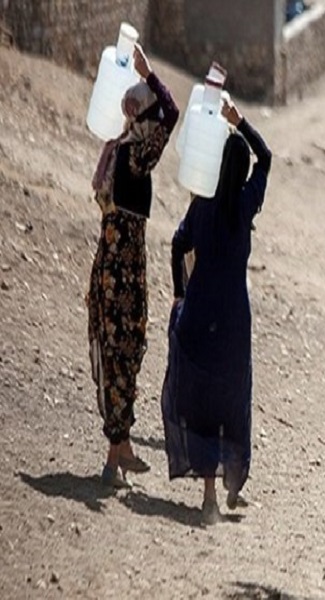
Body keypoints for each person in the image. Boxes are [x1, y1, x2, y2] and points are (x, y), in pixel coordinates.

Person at [161, 99, 272, 525]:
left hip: (199, 310)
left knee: (202, 400)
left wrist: (179, 294)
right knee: (231, 397)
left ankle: (209, 492)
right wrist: (239, 121)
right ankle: (231, 481)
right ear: (241, 172)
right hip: (232, 320)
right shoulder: (244, 207)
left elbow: (177, 244)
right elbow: (266, 157)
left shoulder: (202, 205)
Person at [86, 45, 179, 489]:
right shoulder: (137, 157)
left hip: (106, 265)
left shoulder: (115, 149)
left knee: (115, 353)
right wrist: (150, 72)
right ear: (142, 115)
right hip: (124, 271)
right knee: (125, 351)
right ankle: (113, 457)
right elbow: (173, 114)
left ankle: (120, 448)